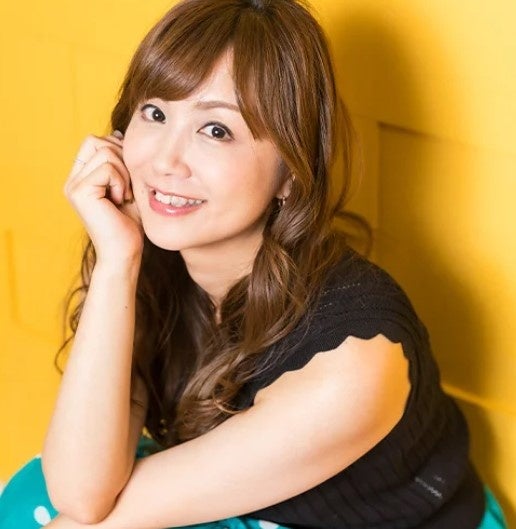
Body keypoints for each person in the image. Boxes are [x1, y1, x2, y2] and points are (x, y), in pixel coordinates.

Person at [0, 0, 508, 528]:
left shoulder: (353, 360)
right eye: (155, 113)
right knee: (30, 497)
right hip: (256, 507)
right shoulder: (151, 258)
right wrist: (116, 263)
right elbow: (80, 493)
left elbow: (88, 521)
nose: (164, 161)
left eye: (216, 130)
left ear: (291, 173)